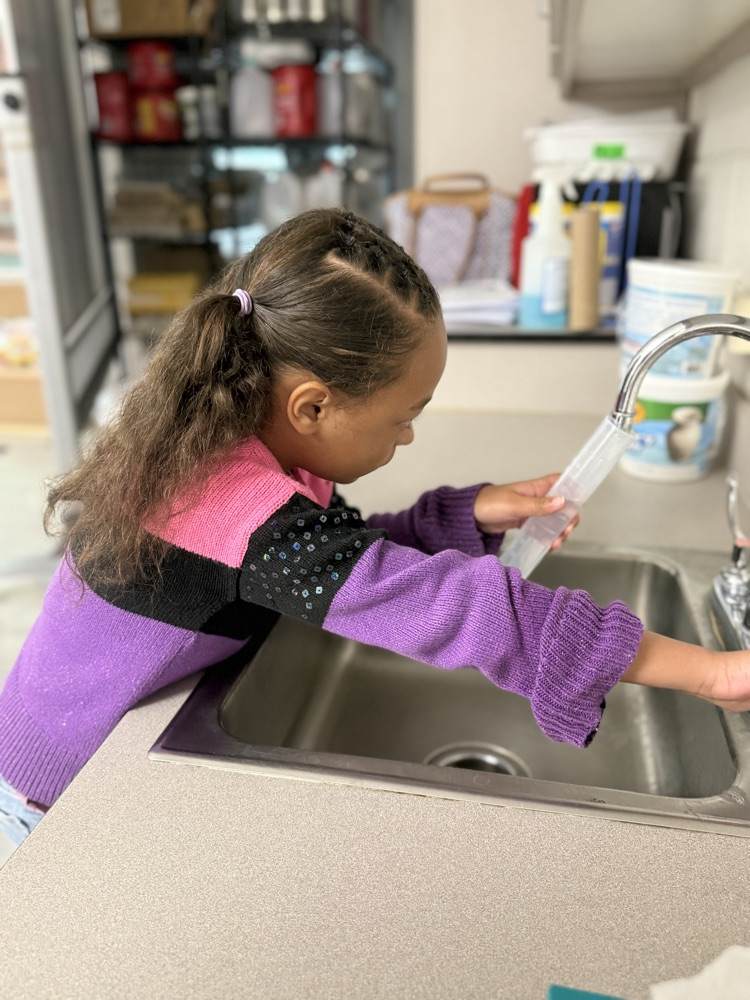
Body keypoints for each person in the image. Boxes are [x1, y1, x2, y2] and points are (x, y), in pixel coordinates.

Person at [1, 207, 749, 857]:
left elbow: (341, 555)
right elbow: (460, 611)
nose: (411, 438)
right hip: (55, 795)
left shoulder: (237, 443)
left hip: (71, 747)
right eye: (405, 417)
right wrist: (711, 674)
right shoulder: (236, 513)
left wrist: (467, 512)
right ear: (313, 407)